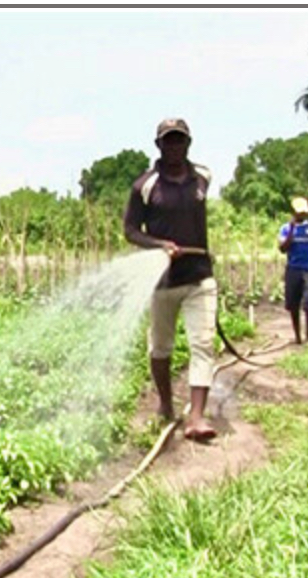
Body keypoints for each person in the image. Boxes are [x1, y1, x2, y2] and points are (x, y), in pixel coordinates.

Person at [123, 118, 217, 441]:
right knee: (160, 347)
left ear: (188, 143)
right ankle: (165, 403)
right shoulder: (145, 187)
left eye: (179, 140)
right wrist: (161, 245)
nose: (174, 146)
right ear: (158, 145)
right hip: (163, 281)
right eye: (168, 141)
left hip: (199, 277)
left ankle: (197, 417)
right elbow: (130, 231)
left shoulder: (203, 177)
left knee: (203, 343)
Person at [278, 196, 308, 345]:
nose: (302, 215)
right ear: (294, 212)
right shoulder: (285, 229)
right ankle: (297, 336)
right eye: (299, 213)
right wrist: (291, 231)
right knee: (293, 305)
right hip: (293, 270)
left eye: (304, 213)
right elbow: (283, 249)